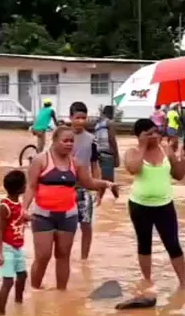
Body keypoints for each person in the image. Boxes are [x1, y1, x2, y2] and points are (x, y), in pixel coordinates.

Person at [22, 125, 118, 290]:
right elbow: (31, 187)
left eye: (71, 141)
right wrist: (23, 208)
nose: (69, 144)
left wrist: (107, 184)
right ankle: (35, 292)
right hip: (42, 215)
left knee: (63, 256)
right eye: (65, 141)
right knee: (43, 256)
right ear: (54, 141)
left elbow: (88, 183)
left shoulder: (75, 163)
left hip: (68, 216)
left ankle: (61, 293)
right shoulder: (40, 160)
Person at [124, 118, 185, 288]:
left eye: (156, 132)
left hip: (164, 205)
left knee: (173, 243)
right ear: (139, 136)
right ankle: (147, 280)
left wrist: (183, 160)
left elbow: (178, 175)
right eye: (149, 133)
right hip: (139, 205)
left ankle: (183, 284)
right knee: (144, 242)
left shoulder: (166, 150)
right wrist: (143, 146)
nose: (154, 135)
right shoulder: (132, 152)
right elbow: (133, 169)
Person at [69, 102, 101, 260]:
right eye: (77, 118)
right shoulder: (63, 137)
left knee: (86, 225)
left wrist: (99, 187)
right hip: (64, 188)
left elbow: (95, 165)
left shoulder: (91, 139)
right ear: (70, 118)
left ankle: (84, 259)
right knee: (65, 227)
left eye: (83, 118)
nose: (80, 121)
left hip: (84, 187)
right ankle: (64, 256)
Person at [0, 170, 28, 316]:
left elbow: (17, 219)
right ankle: (1, 313)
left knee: (22, 276)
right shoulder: (5, 206)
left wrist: (28, 219)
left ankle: (18, 303)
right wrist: (0, 253)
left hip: (18, 247)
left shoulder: (17, 204)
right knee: (8, 281)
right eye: (25, 183)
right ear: (20, 188)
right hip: (8, 248)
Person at [94, 105, 121, 201]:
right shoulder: (110, 123)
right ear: (111, 113)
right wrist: (117, 155)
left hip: (98, 153)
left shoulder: (98, 124)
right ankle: (98, 200)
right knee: (108, 180)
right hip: (108, 153)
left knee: (106, 178)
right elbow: (112, 139)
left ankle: (116, 197)